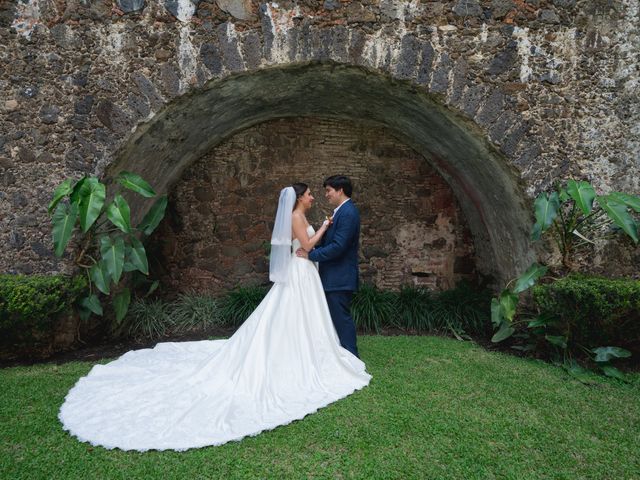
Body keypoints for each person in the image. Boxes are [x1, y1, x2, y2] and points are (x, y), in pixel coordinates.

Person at [58, 183, 371, 452]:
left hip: (305, 273)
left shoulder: (301, 215)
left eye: (321, 192)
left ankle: (309, 351)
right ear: (299, 198)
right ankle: (301, 356)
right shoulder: (296, 217)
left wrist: (320, 235)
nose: (315, 196)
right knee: (292, 317)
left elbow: (305, 245)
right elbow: (305, 245)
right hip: (302, 270)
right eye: (311, 194)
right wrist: (325, 230)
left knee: (300, 318)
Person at [296, 175, 361, 358]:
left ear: (340, 190)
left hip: (339, 276)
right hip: (333, 275)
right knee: (334, 317)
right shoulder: (341, 211)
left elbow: (339, 247)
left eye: (329, 190)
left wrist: (311, 255)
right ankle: (340, 352)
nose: (326, 195)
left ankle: (351, 355)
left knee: (341, 318)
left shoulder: (348, 212)